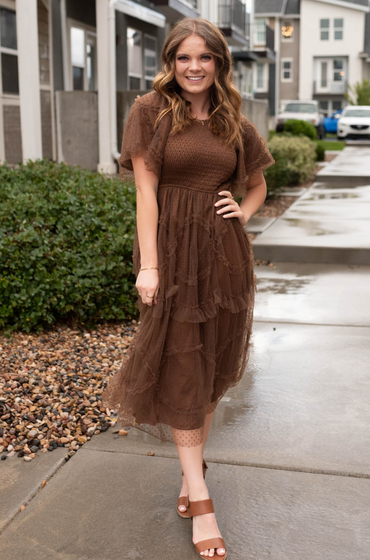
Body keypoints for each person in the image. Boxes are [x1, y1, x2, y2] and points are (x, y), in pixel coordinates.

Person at [101, 16, 275, 558]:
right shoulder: (149, 112)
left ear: (220, 63)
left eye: (205, 57)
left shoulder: (231, 121)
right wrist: (149, 266)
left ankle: (190, 471)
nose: (194, 67)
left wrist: (241, 211)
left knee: (210, 369)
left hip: (222, 258)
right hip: (173, 258)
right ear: (170, 63)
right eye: (184, 58)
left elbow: (259, 181)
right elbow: (146, 197)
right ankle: (200, 495)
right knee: (180, 366)